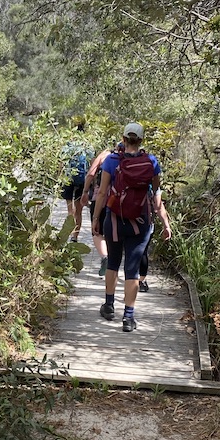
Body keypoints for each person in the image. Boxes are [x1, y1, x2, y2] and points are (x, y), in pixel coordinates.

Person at [91, 122, 172, 332]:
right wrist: (165, 222)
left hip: (115, 219)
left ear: (124, 138)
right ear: (141, 140)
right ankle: (128, 317)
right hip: (141, 222)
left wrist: (96, 219)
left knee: (113, 262)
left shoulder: (111, 160)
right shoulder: (151, 161)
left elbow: (102, 193)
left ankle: (109, 306)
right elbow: (156, 194)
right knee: (132, 269)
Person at [80, 143, 118, 276]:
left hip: (99, 199)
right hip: (119, 201)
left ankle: (105, 257)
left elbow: (91, 174)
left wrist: (85, 191)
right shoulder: (127, 157)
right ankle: (114, 261)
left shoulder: (104, 156)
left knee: (96, 231)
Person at [59, 126, 91, 242]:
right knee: (79, 210)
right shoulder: (87, 147)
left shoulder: (67, 146)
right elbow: (92, 166)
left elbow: (61, 164)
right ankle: (75, 236)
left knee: (70, 210)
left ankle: (69, 233)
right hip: (83, 180)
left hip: (68, 179)